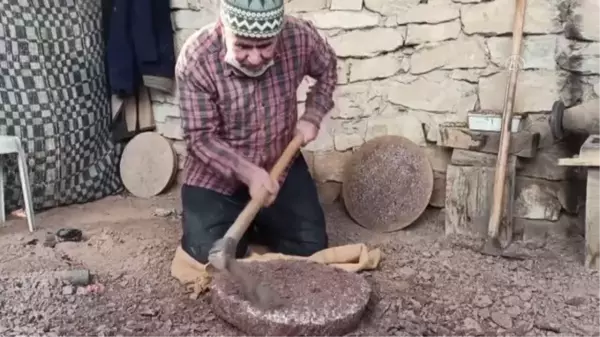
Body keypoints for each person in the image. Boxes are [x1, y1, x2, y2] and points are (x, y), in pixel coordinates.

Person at [175, 0, 338, 264]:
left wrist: (314, 114)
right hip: (215, 178)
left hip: (279, 165)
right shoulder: (197, 57)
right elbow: (199, 137)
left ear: (279, 33)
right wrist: (249, 174)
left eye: (264, 46)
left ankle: (259, 221)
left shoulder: (299, 36)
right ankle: (244, 221)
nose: (253, 58)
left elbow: (327, 68)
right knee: (206, 254)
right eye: (241, 45)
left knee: (310, 246)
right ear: (223, 28)